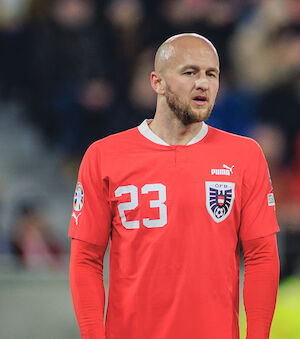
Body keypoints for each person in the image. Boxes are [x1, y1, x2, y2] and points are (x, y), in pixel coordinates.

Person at [68, 33, 280, 339]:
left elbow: (262, 256)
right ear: (158, 82)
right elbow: (86, 258)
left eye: (212, 74)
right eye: (190, 72)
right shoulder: (104, 156)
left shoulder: (245, 156)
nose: (203, 83)